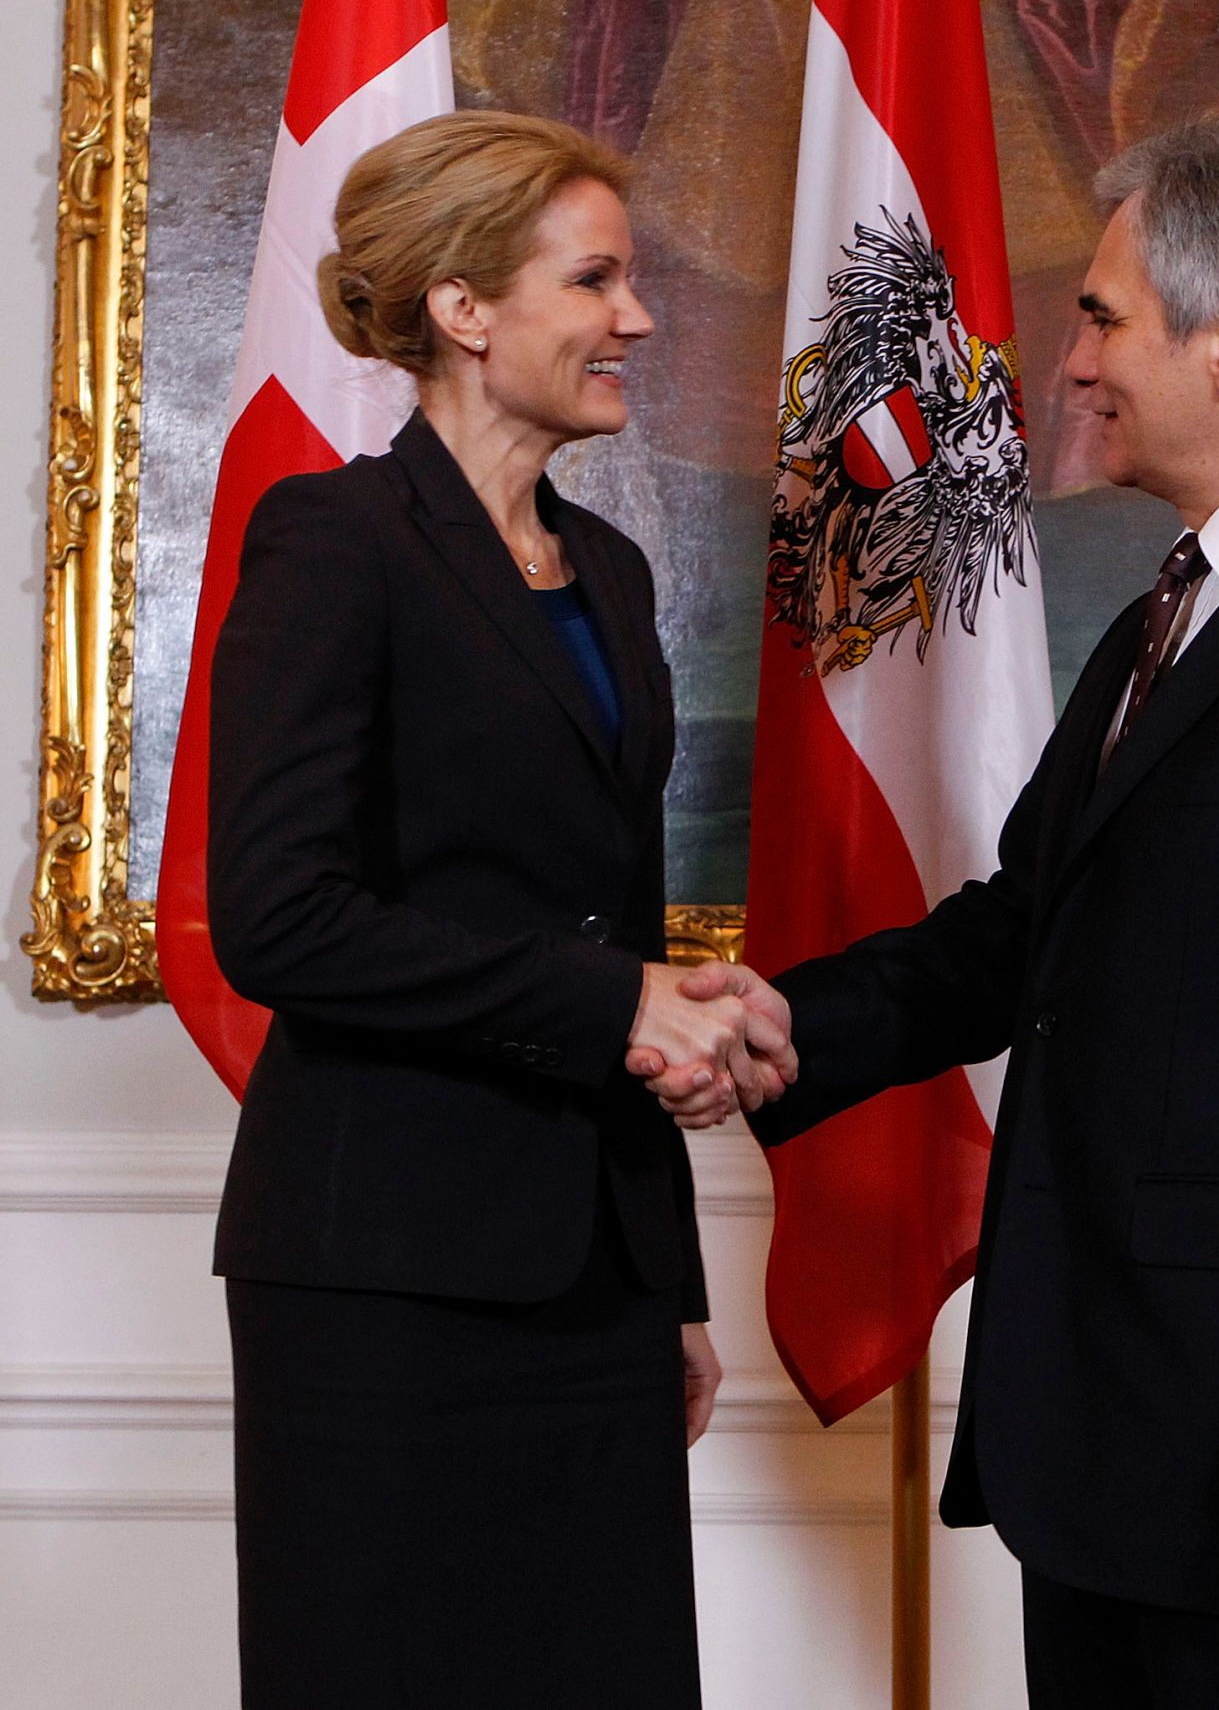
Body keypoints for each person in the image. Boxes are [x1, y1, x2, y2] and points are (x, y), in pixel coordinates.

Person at [638, 114, 1219, 1707]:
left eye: (1103, 317)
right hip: (1124, 1454)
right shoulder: (1176, 608)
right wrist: (791, 1022)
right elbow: (1034, 931)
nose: (1068, 361)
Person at [206, 111, 790, 1709]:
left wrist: (662, 1278)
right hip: (386, 1281)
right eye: (595, 278)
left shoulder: (606, 567)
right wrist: (618, 1010)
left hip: (590, 1277)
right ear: (465, 308)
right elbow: (279, 917)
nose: (641, 317)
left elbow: (594, 920)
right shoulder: (335, 543)